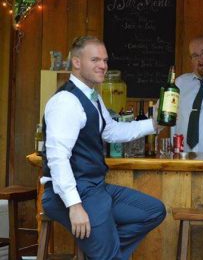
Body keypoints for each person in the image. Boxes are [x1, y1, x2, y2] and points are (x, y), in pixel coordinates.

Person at [41, 36, 166, 259]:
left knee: (153, 211)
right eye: (95, 60)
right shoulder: (66, 102)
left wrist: (154, 124)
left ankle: (108, 249)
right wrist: (75, 206)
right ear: (77, 62)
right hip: (72, 193)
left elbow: (112, 131)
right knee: (107, 254)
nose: (103, 66)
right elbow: (58, 158)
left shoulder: (93, 98)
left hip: (96, 188)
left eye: (105, 60)